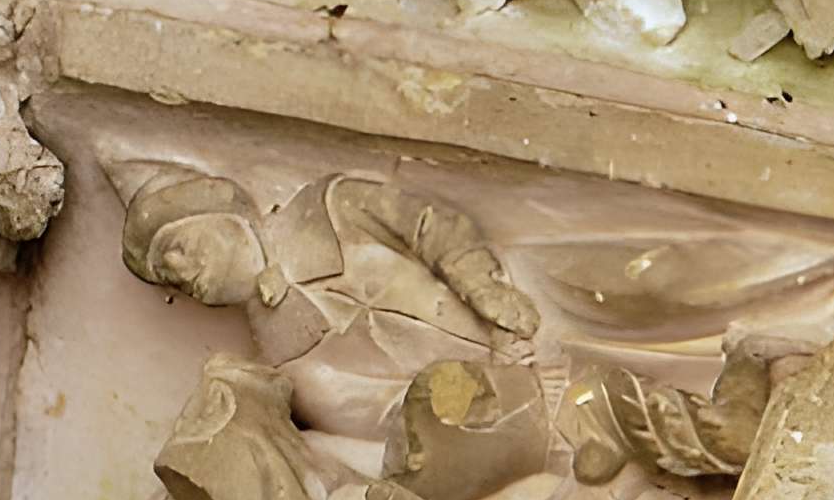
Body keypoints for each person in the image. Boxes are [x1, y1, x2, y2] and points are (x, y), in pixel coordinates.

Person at [112, 163, 537, 447]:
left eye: (179, 246)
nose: (177, 270)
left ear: (223, 210)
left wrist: (485, 291)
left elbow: (429, 222)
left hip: (531, 329)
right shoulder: (288, 366)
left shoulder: (331, 207)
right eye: (167, 278)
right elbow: (381, 421)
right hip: (504, 417)